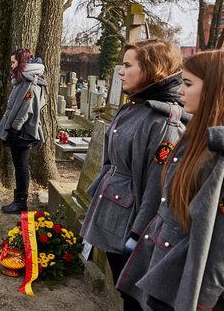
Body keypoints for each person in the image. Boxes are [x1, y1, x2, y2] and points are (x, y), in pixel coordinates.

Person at [80, 38, 187, 310]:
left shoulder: (164, 122)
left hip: (131, 224)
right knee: (122, 290)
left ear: (154, 70)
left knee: (133, 299)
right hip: (111, 213)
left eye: (128, 65)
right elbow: (110, 162)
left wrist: (137, 235)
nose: (120, 71)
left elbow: (157, 185)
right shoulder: (134, 106)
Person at [116, 50, 224, 311]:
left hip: (185, 274)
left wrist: (203, 299)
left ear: (214, 89)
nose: (180, 92)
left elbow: (219, 236)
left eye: (188, 84)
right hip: (164, 258)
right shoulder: (195, 135)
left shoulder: (217, 154)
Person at [0, 48, 47, 213]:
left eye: (14, 62)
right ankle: (18, 200)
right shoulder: (24, 80)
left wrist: (14, 130)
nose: (12, 65)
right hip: (19, 129)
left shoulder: (31, 83)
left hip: (23, 131)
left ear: (22, 63)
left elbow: (25, 109)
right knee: (19, 166)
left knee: (22, 166)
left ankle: (21, 203)